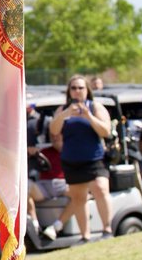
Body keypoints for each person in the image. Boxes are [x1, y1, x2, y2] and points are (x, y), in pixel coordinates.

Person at [43, 75, 115, 243]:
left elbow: (106, 131)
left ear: (87, 90)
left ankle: (107, 229)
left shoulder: (95, 107)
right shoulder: (63, 110)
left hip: (94, 159)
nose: (77, 91)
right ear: (69, 91)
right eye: (73, 88)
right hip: (72, 161)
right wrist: (65, 114)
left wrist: (89, 117)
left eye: (80, 88)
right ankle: (85, 236)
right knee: (78, 198)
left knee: (100, 188)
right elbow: (54, 130)